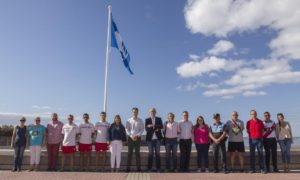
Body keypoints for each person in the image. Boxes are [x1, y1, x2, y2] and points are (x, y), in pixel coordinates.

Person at [126, 107, 144, 172]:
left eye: (136, 112)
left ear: (137, 112)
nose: (135, 113)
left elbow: (142, 129)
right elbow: (127, 129)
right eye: (133, 111)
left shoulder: (140, 120)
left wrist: (137, 135)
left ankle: (139, 169)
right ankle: (128, 169)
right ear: (132, 112)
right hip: (130, 138)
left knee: (137, 153)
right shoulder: (128, 120)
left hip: (138, 138)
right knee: (129, 153)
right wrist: (131, 136)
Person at [145, 108, 163, 172]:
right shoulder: (147, 120)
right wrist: (155, 127)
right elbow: (146, 129)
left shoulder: (159, 119)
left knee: (158, 154)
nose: (152, 112)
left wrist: (152, 126)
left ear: (155, 112)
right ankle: (149, 168)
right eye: (151, 111)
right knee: (150, 154)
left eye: (153, 111)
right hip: (150, 139)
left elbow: (161, 126)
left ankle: (158, 169)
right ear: (149, 112)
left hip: (158, 139)